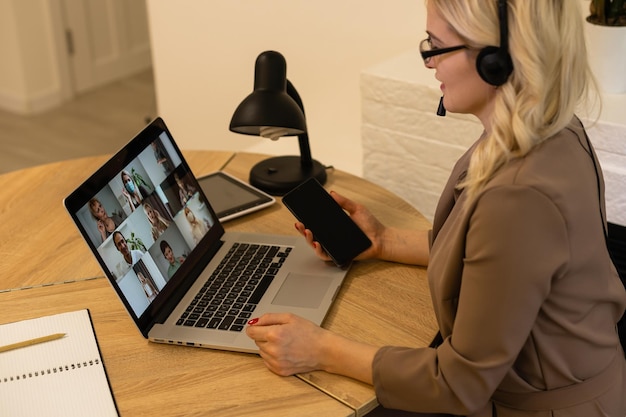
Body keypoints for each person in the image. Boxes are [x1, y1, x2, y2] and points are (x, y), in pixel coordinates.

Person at [245, 1, 626, 416]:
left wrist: (320, 349)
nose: (429, 63)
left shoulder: (519, 194)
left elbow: (459, 383)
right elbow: (491, 259)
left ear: (496, 60)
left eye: (436, 47)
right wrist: (384, 240)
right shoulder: (547, 127)